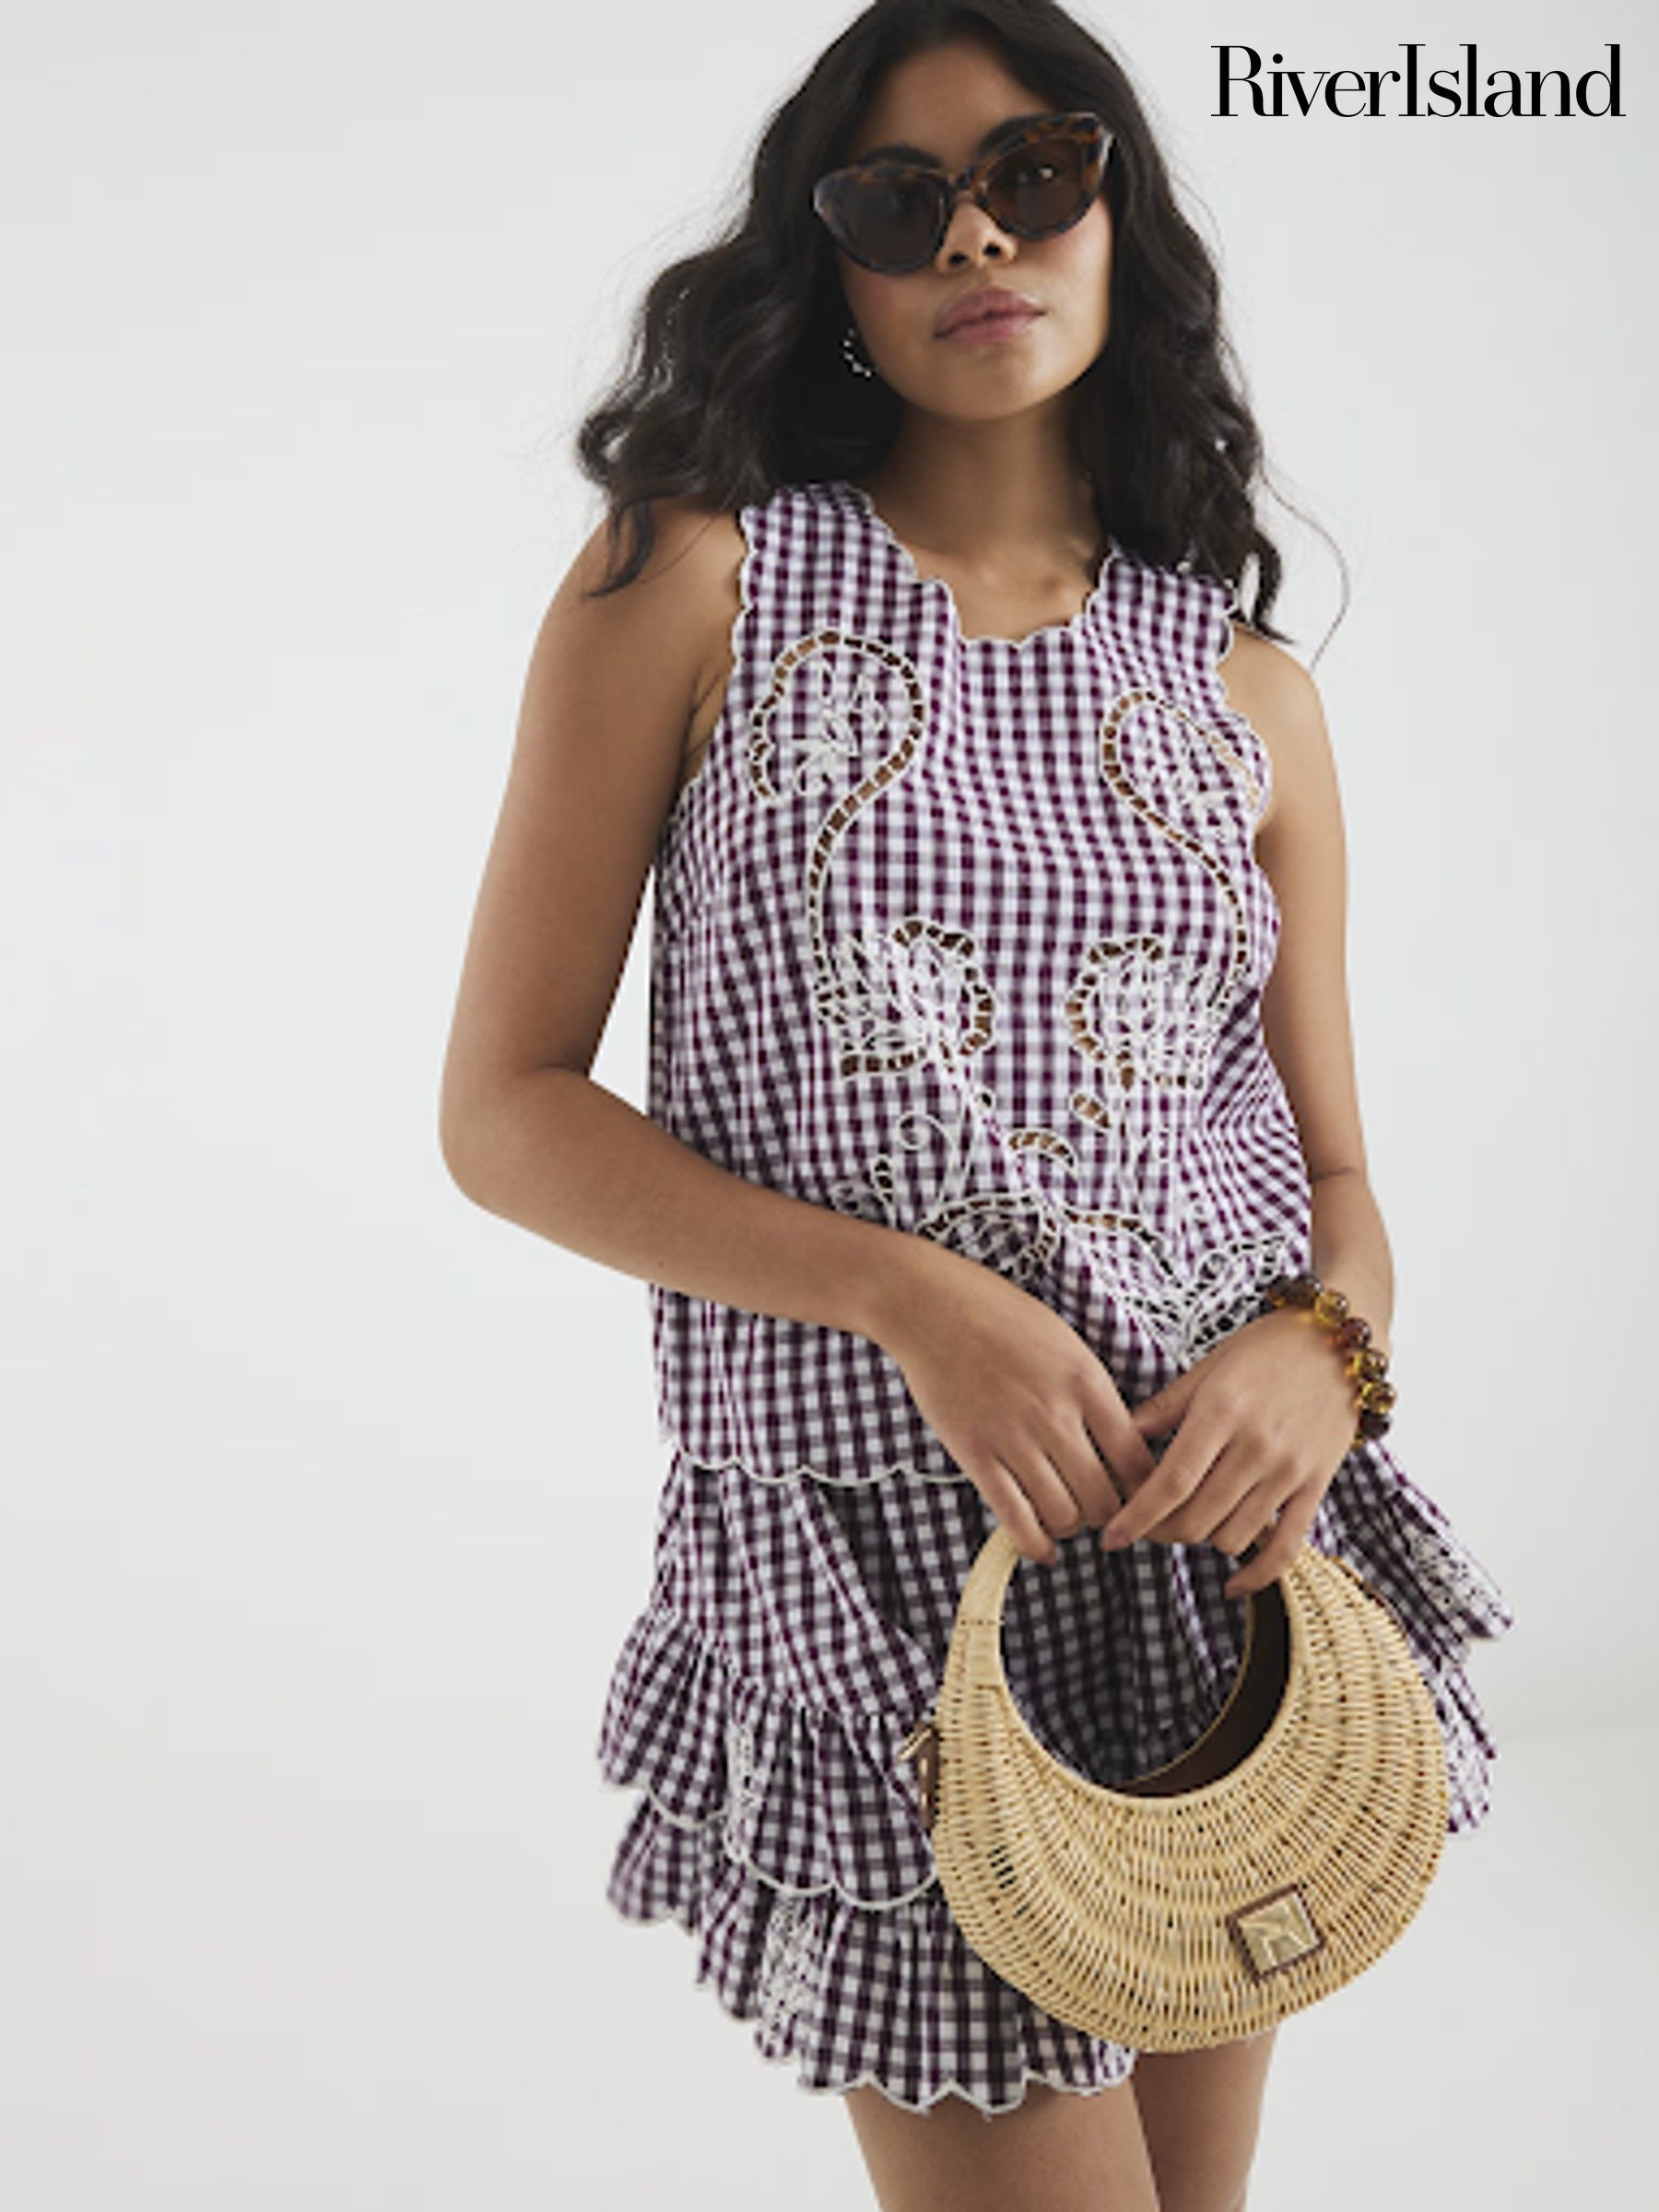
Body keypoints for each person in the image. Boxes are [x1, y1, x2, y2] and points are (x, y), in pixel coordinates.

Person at [439, 5, 1516, 2206]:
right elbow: (506, 1108)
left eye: (1033, 175)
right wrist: (910, 1298)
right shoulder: (699, 579)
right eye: (898, 199)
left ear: (1120, 214)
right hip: (883, 1567)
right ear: (826, 261)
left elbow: (1331, 1169)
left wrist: (1325, 1356)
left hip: (1212, 1550)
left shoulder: (1246, 688)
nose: (975, 240)